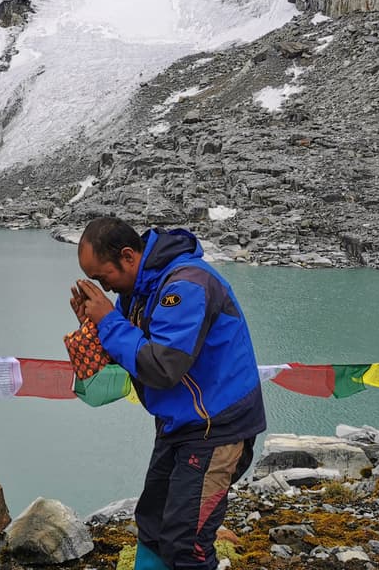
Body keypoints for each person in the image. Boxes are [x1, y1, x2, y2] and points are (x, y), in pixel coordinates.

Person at [70, 216, 265, 570]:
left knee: (186, 542)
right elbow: (127, 353)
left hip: (216, 428)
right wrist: (93, 323)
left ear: (128, 257)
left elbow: (162, 367)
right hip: (180, 423)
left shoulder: (187, 285)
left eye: (102, 277)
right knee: (154, 522)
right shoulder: (139, 289)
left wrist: (108, 321)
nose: (106, 289)